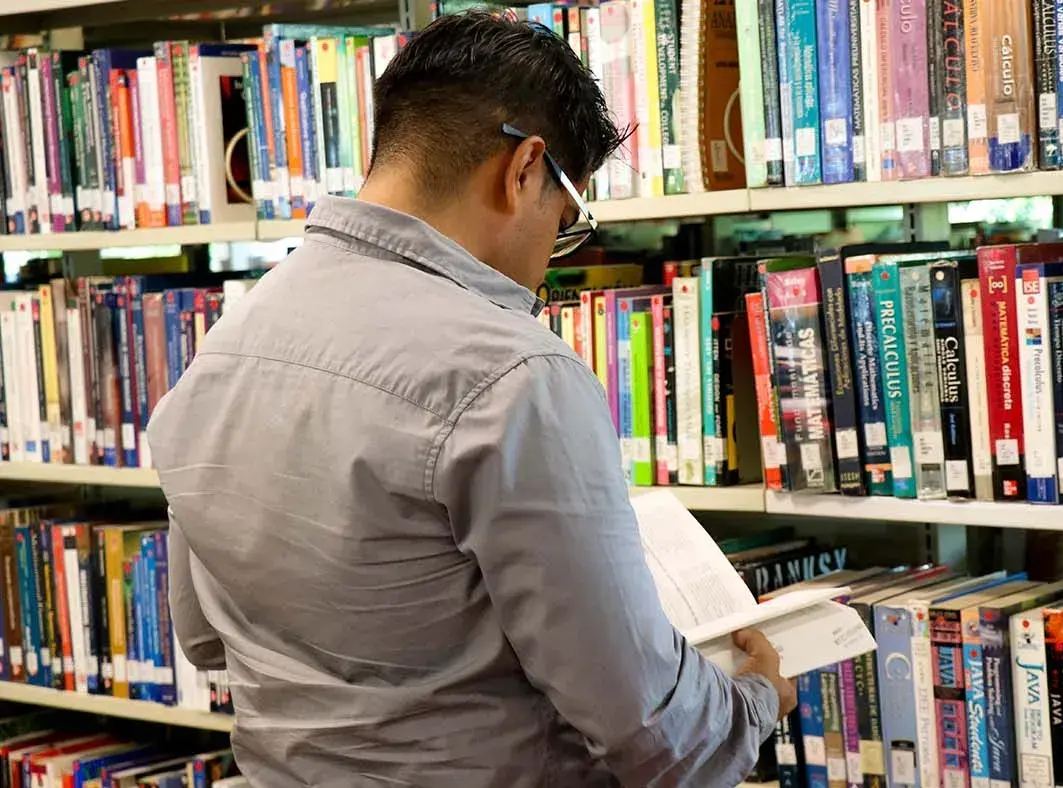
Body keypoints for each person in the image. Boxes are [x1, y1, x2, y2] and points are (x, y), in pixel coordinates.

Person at [147, 10, 797, 788]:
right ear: (525, 169)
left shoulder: (224, 346)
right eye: (565, 220)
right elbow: (650, 728)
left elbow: (206, 641)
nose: (548, 265)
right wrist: (755, 699)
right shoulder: (514, 375)